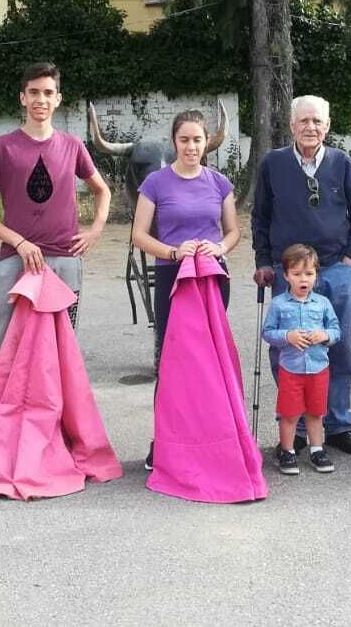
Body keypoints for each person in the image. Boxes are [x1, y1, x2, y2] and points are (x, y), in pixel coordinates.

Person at [0, 62, 112, 393]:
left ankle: (57, 430)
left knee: (62, 351)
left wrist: (95, 229)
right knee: (0, 348)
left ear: (58, 99)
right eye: (34, 92)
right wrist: (19, 242)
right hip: (15, 261)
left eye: (48, 93)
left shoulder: (73, 145)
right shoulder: (2, 147)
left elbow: (102, 190)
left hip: (65, 260)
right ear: (22, 98)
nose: (40, 100)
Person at [250, 96, 351, 456]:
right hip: (288, 275)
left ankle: (337, 424)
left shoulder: (342, 163)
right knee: (287, 347)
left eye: (317, 121)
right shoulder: (273, 164)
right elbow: (260, 218)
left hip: (335, 270)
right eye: (303, 121)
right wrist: (264, 261)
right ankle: (297, 426)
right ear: (291, 125)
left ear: (327, 125)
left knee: (337, 347)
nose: (310, 127)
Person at [131, 109, 241, 471]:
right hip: (172, 276)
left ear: (206, 141)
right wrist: (173, 252)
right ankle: (163, 440)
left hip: (211, 277)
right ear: (174, 142)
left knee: (210, 360)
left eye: (197, 139)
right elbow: (139, 235)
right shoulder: (156, 184)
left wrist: (220, 248)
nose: (191, 146)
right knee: (172, 361)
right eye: (184, 139)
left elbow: (233, 231)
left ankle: (215, 436)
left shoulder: (220, 182)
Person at [261, 244, 342, 476]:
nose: (303, 279)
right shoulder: (278, 304)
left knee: (316, 412)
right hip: (291, 369)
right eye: (296, 274)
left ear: (316, 274)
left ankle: (317, 449)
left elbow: (336, 330)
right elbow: (267, 332)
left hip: (318, 368)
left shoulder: (323, 303)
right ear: (286, 275)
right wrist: (288, 336)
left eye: (309, 273)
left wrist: (324, 336)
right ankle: (288, 451)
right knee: (289, 413)